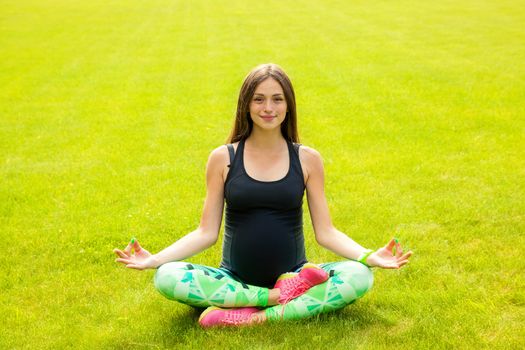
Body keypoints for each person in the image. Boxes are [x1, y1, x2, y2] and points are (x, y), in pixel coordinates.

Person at [113, 63, 413, 328]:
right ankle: (273, 297)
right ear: (246, 104)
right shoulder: (223, 158)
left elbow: (326, 232)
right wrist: (156, 259)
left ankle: (253, 316)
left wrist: (369, 256)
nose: (268, 107)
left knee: (359, 276)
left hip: (297, 274)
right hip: (233, 280)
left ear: (288, 105)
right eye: (259, 99)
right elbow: (206, 232)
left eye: (277, 99)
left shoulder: (307, 159)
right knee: (167, 276)